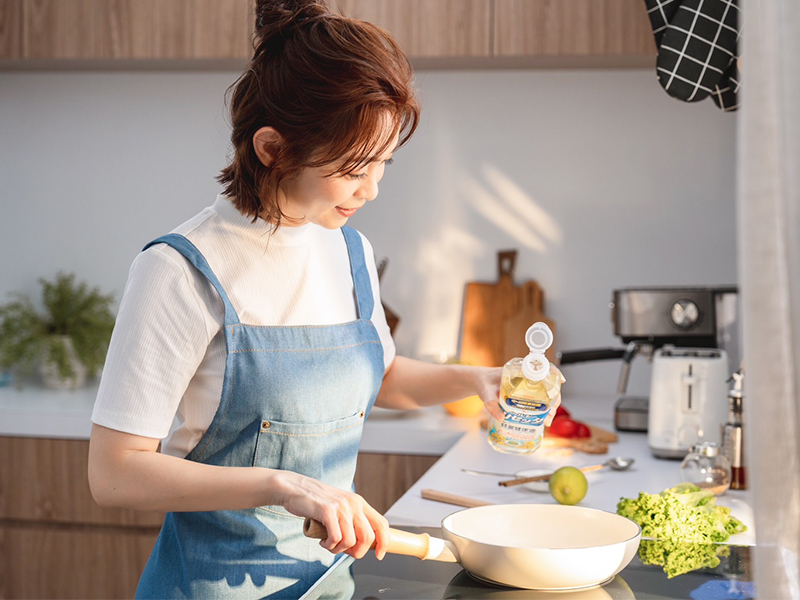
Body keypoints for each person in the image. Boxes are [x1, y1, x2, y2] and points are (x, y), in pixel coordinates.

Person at [88, 1, 559, 597]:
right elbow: (114, 474)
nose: (373, 188)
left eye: (384, 163)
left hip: (328, 584)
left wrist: (478, 379)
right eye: (355, 167)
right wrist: (283, 485)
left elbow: (377, 378)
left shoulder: (349, 250)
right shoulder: (179, 271)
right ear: (271, 149)